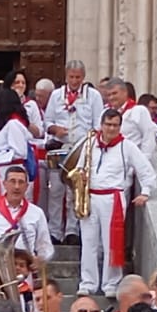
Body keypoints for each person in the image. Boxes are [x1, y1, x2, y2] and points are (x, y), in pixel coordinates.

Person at [77, 109, 155, 297]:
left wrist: (145, 192)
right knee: (88, 242)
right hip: (90, 197)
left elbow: (146, 170)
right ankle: (87, 283)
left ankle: (111, 284)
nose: (111, 129)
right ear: (101, 125)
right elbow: (80, 168)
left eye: (115, 125)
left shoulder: (127, 146)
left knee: (112, 242)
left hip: (112, 198)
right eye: (108, 124)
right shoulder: (89, 144)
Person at [44, 60, 105, 241]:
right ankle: (54, 231)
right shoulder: (56, 95)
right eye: (71, 77)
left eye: (78, 77)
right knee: (55, 190)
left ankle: (72, 230)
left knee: (74, 190)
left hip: (80, 150)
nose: (75, 81)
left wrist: (89, 143)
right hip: (60, 148)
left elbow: (97, 123)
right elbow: (46, 122)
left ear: (83, 77)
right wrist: (55, 129)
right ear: (66, 76)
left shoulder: (93, 96)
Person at [0, 164, 53, 268]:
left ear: (26, 186)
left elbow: (46, 246)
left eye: (21, 182)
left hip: (23, 276)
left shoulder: (37, 213)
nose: (16, 186)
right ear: (4, 184)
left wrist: (41, 260)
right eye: (12, 181)